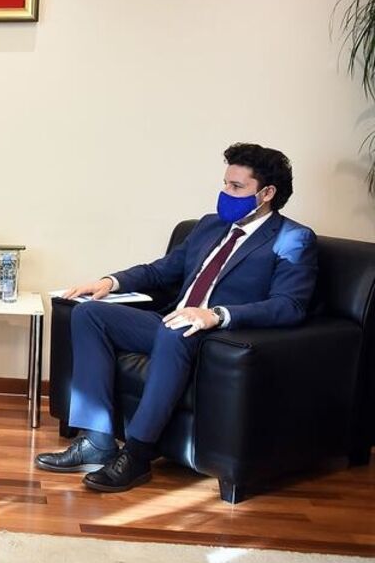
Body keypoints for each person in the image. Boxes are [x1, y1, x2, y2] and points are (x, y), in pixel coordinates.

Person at [36, 143, 317, 492]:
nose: (225, 193)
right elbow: (162, 270)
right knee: (89, 314)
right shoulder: (210, 225)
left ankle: (137, 455)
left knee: (177, 328)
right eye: (225, 183)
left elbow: (289, 306)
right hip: (170, 321)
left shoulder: (292, 239)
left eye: (236, 187)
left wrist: (216, 315)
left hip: (217, 337)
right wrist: (110, 282)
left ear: (267, 193)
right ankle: (97, 442)